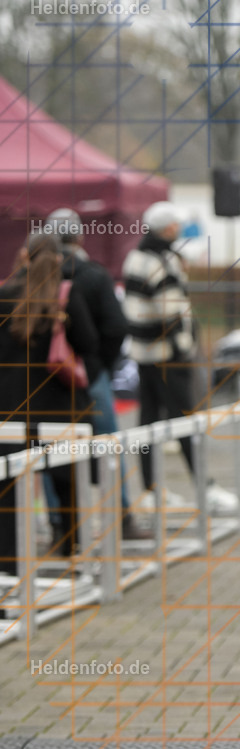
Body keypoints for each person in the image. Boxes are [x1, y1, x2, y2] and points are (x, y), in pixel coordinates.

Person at [122, 202, 237, 516]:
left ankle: (150, 488)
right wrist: (185, 348)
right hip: (167, 356)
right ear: (168, 227)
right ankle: (205, 486)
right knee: (185, 420)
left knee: (148, 421)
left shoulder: (136, 256)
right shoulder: (159, 260)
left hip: (144, 354)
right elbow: (170, 312)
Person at [44, 208, 147, 541]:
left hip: (46, 378)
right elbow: (116, 327)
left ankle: (60, 524)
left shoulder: (37, 274)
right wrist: (98, 364)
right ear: (79, 236)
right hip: (90, 375)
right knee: (106, 447)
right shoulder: (94, 275)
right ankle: (122, 517)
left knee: (47, 451)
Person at [0, 233, 97, 575]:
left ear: (24, 256)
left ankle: (9, 566)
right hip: (60, 406)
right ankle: (74, 557)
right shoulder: (66, 296)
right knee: (68, 486)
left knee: (8, 491)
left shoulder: (4, 295)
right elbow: (89, 343)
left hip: (9, 409)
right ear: (58, 260)